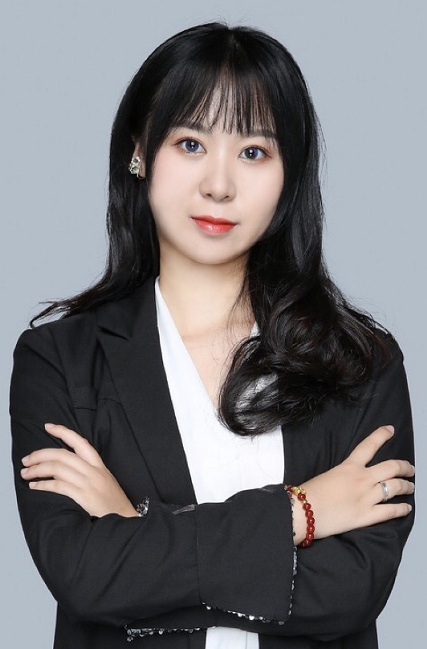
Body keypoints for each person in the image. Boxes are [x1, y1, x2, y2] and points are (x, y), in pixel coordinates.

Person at [10, 22, 415, 649]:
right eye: (191, 143)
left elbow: (350, 593)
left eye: (253, 152)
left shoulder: (361, 362)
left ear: (289, 174)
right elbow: (85, 577)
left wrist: (136, 529)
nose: (219, 185)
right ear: (140, 151)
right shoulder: (60, 361)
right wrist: (299, 513)